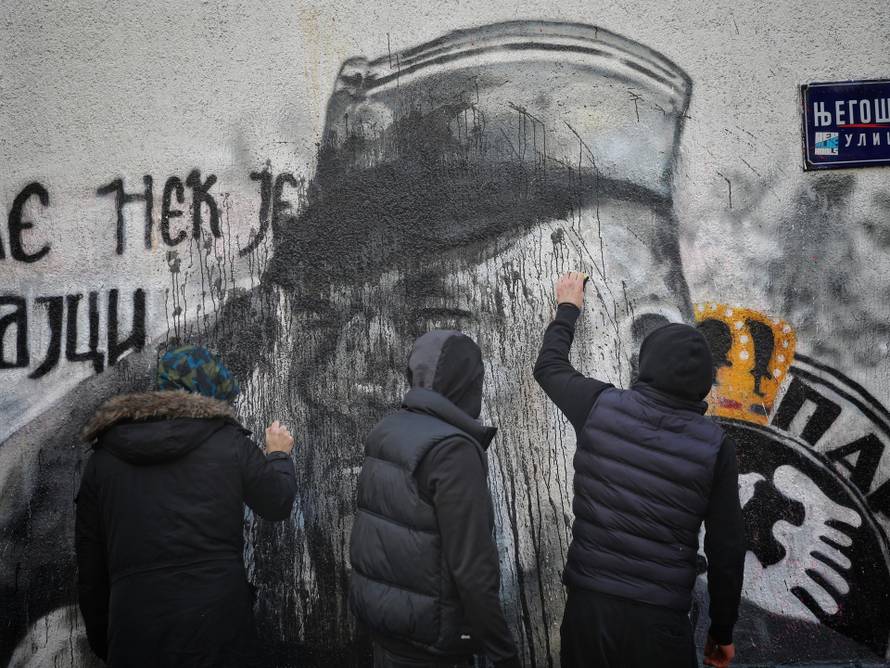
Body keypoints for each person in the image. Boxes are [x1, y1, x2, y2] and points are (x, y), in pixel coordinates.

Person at [534, 272, 746, 668]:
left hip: (588, 613)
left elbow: (549, 367)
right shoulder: (714, 446)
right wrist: (722, 631)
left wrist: (568, 308)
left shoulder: (598, 406)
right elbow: (727, 548)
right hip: (660, 622)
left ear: (644, 362)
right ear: (705, 381)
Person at [74, 344, 297, 667]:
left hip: (135, 631)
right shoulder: (231, 445)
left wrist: (106, 637)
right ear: (211, 395)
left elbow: (91, 563)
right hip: (219, 629)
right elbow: (278, 503)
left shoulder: (105, 459)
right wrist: (278, 455)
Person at [349, 330, 521, 668]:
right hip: (433, 640)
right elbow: (472, 569)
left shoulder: (389, 429)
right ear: (469, 382)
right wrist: (504, 655)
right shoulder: (453, 449)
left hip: (387, 627)